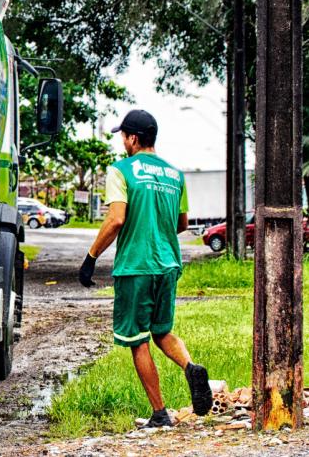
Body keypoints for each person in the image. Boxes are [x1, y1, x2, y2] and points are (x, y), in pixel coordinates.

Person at [78, 109, 212, 427]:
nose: (122, 142)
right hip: (168, 265)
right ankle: (190, 366)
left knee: (137, 340)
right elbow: (181, 224)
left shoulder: (121, 170)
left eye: (123, 136)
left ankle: (160, 414)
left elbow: (116, 219)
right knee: (162, 331)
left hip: (136, 267)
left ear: (134, 138)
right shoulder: (175, 175)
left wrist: (90, 257)